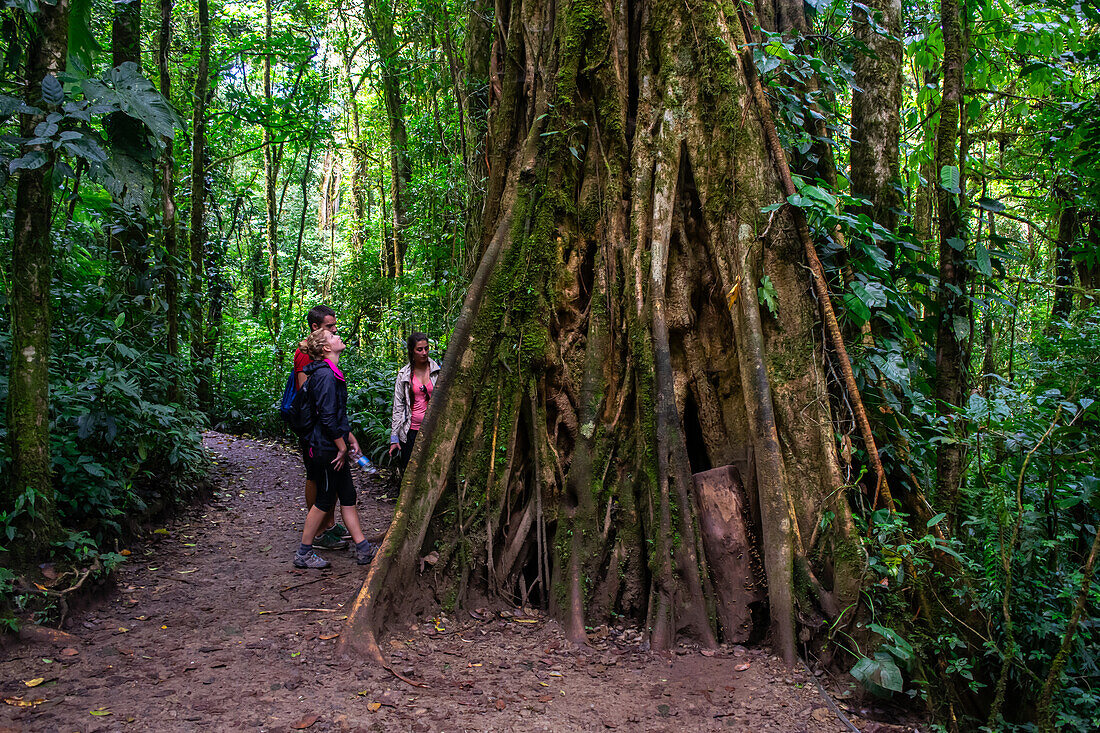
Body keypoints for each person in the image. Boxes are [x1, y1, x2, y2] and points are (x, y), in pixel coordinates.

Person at [293, 328, 378, 569]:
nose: (337, 336)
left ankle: (363, 548)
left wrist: (349, 438)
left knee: (348, 494)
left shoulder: (329, 372)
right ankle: (303, 553)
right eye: (332, 337)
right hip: (325, 449)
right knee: (325, 498)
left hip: (332, 445)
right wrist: (342, 447)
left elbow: (336, 415)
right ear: (326, 348)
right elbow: (327, 418)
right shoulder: (326, 376)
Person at [292, 305, 347, 550]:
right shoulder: (307, 356)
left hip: (325, 430)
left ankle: (329, 525)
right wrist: (328, 434)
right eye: (330, 328)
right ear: (316, 328)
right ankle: (320, 533)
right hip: (317, 433)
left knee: (330, 482)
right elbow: (308, 396)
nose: (335, 330)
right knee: (317, 478)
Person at [388, 332, 441, 474]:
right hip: (411, 431)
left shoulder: (438, 371)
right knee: (411, 471)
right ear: (412, 351)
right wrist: (394, 438)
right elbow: (398, 407)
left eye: (426, 348)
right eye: (419, 349)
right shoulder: (404, 375)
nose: (424, 353)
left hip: (434, 430)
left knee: (431, 470)